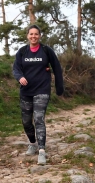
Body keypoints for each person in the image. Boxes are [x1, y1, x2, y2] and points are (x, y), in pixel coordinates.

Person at [12, 24, 64, 165]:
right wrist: (19, 77)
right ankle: (33, 143)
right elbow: (16, 68)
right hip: (26, 91)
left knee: (39, 119)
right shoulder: (22, 51)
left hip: (42, 90)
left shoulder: (46, 51)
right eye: (31, 34)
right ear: (27, 36)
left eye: (36, 34)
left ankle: (42, 150)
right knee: (26, 121)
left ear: (39, 36)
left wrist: (59, 87)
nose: (33, 36)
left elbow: (57, 68)